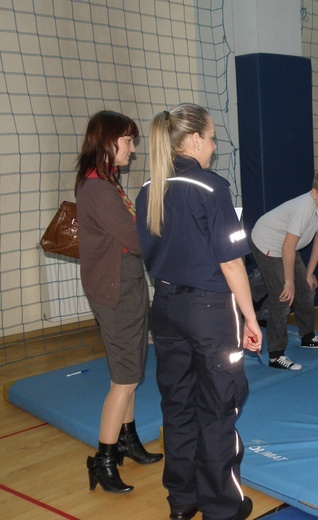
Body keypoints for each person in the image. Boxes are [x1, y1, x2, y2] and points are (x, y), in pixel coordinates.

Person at [136, 103, 261, 520]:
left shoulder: (148, 188)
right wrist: (251, 317)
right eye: (210, 138)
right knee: (218, 406)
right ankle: (222, 506)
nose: (213, 145)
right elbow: (231, 262)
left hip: (166, 308)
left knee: (178, 406)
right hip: (208, 311)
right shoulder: (212, 187)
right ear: (193, 140)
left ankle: (182, 501)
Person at [75, 110, 162, 495]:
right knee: (124, 379)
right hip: (116, 290)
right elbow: (136, 237)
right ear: (109, 143)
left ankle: (127, 439)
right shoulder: (98, 189)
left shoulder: (106, 183)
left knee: (130, 371)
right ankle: (104, 459)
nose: (131, 148)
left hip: (125, 286)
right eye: (127, 141)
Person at [249, 170, 318, 370]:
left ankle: (307, 336)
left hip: (287, 246)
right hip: (267, 242)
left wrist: (309, 273)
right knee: (283, 298)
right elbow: (287, 247)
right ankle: (275, 354)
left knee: (307, 288)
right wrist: (289, 283)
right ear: (314, 193)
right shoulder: (304, 208)